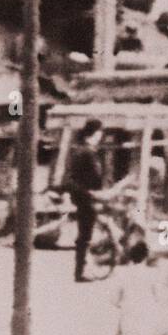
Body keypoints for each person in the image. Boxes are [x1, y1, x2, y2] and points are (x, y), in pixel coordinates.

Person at [61, 119, 104, 282]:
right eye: (99, 133)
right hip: (85, 195)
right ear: (94, 133)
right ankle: (80, 271)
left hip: (84, 195)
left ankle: (83, 268)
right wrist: (92, 192)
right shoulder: (85, 152)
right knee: (85, 235)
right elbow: (89, 176)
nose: (101, 136)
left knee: (85, 234)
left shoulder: (83, 151)